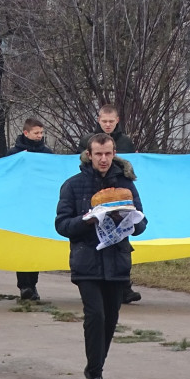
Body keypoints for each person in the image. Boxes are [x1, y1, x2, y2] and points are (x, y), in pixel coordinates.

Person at [55, 133, 147, 379]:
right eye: (98, 154)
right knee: (95, 316)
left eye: (108, 154)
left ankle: (95, 367)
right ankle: (95, 376)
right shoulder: (73, 186)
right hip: (87, 261)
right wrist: (88, 220)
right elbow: (61, 225)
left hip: (117, 261)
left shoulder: (126, 185)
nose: (104, 159)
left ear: (114, 152)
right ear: (89, 154)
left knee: (111, 319)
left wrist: (127, 217)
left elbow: (141, 225)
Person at [80, 105, 141, 304]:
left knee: (122, 240)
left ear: (117, 120)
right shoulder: (87, 140)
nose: (107, 124)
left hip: (118, 189)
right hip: (96, 190)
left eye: (111, 121)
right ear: (99, 120)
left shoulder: (126, 142)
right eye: (104, 121)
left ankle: (125, 286)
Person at [7, 117, 55, 301]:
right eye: (36, 133)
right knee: (22, 246)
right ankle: (24, 286)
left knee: (35, 246)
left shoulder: (47, 154)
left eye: (41, 133)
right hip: (20, 207)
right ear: (26, 133)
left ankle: (33, 285)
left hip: (39, 206)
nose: (39, 136)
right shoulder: (14, 153)